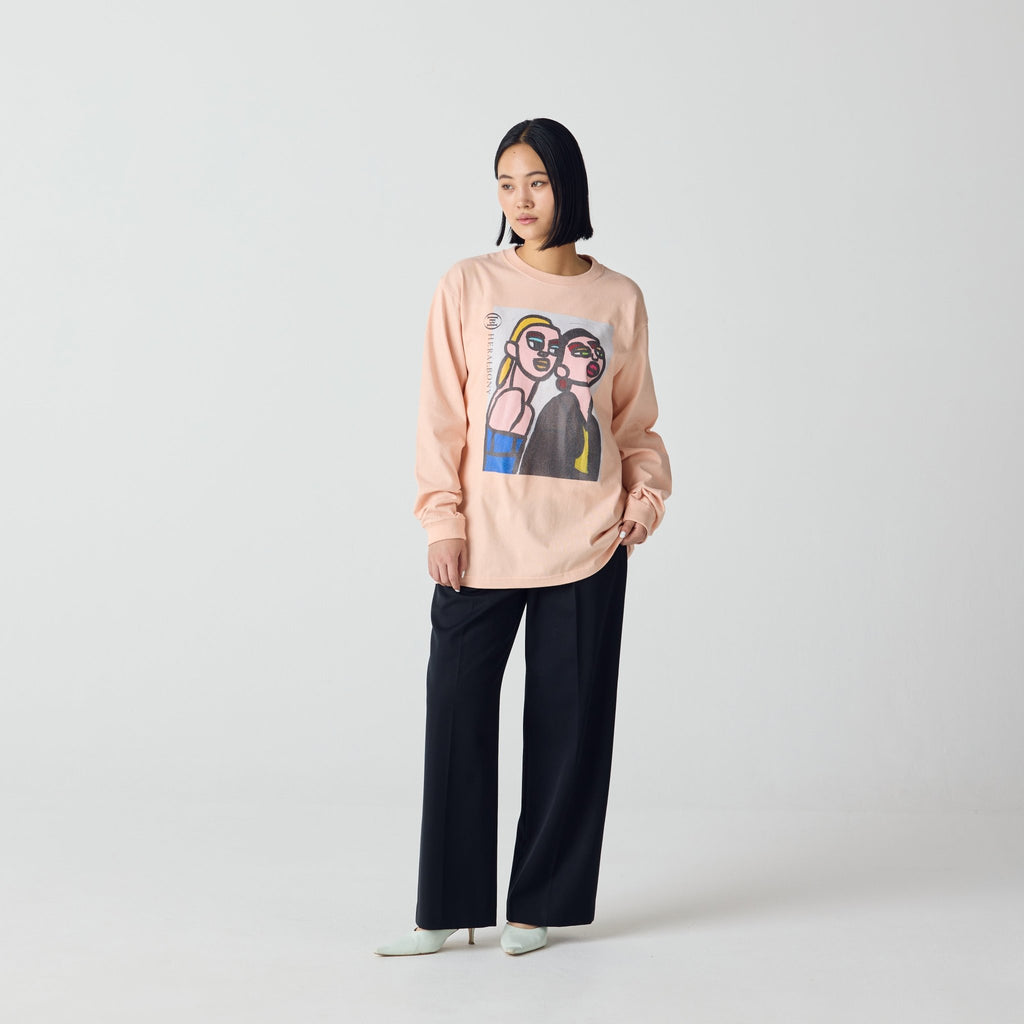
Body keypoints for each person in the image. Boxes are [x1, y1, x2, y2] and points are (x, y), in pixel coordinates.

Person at [375, 118, 671, 957]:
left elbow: (636, 426)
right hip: (481, 545)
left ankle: (537, 906)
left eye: (536, 181)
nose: (521, 200)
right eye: (506, 184)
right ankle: (445, 909)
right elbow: (441, 416)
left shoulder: (618, 299)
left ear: (568, 186)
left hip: (589, 545)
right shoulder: (468, 284)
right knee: (456, 719)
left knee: (570, 732)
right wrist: (442, 518)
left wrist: (643, 504)